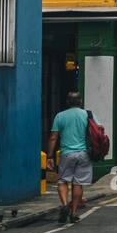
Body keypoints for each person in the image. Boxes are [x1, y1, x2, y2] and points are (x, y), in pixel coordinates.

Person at [47, 91, 93, 225]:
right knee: (78, 183)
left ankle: (64, 204)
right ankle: (73, 212)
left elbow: (53, 137)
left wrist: (49, 155)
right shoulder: (87, 115)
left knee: (62, 181)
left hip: (66, 153)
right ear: (80, 101)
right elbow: (99, 130)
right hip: (84, 153)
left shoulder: (60, 116)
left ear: (67, 102)